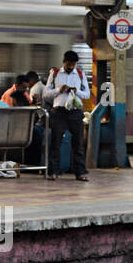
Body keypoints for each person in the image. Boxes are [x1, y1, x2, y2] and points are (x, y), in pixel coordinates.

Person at [44, 50, 90, 181]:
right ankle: (53, 172)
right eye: (68, 64)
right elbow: (45, 94)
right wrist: (59, 90)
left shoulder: (80, 75)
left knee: (78, 144)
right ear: (64, 62)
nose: (70, 67)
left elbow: (86, 94)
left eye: (73, 64)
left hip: (75, 112)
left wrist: (77, 92)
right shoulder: (55, 74)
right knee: (56, 142)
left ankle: (80, 172)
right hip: (59, 112)